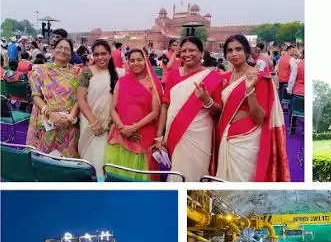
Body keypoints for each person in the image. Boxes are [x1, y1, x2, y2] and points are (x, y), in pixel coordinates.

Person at [214, 34, 291, 182]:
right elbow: (221, 111)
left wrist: (250, 91)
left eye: (238, 49)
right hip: (225, 136)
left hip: (246, 141)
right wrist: (207, 101)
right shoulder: (225, 78)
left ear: (247, 52)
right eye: (229, 50)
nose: (234, 53)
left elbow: (260, 117)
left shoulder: (258, 77)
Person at [155, 37, 223, 181]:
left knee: (195, 174)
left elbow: (219, 111)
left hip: (199, 135)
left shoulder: (213, 76)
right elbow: (165, 105)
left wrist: (207, 100)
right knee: (176, 174)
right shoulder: (174, 75)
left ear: (201, 53)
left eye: (192, 50)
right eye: (184, 51)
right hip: (173, 133)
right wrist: (159, 136)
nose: (187, 54)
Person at [105, 48, 161, 179]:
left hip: (142, 136)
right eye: (132, 61)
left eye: (139, 60)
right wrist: (122, 129)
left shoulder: (153, 83)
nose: (136, 63)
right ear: (128, 63)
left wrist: (132, 128)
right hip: (120, 135)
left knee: (139, 177)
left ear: (145, 61)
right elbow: (113, 109)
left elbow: (155, 112)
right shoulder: (122, 81)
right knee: (118, 175)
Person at [26, 38, 80, 157]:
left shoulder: (77, 74)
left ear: (71, 54)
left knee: (65, 163)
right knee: (43, 160)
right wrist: (51, 114)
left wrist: (70, 117)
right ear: (53, 51)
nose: (63, 51)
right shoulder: (40, 71)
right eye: (59, 47)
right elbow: (36, 96)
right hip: (47, 122)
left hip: (68, 124)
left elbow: (79, 98)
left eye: (67, 49)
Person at [77, 40, 121, 180]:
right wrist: (94, 123)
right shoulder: (86, 73)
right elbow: (81, 100)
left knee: (106, 160)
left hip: (110, 124)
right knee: (93, 160)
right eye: (96, 54)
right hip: (91, 124)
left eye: (103, 54)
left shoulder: (119, 73)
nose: (100, 57)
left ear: (110, 55)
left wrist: (115, 122)